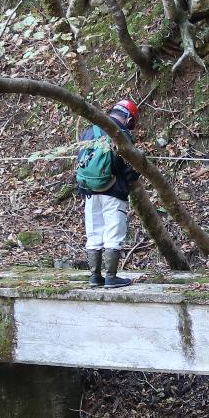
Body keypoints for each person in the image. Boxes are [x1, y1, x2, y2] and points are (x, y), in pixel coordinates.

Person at [75, 97, 139, 289]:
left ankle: (95, 276)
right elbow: (127, 165)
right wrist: (133, 177)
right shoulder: (121, 133)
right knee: (113, 231)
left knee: (94, 233)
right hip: (113, 191)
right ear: (128, 119)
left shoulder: (89, 132)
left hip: (89, 191)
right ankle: (111, 276)